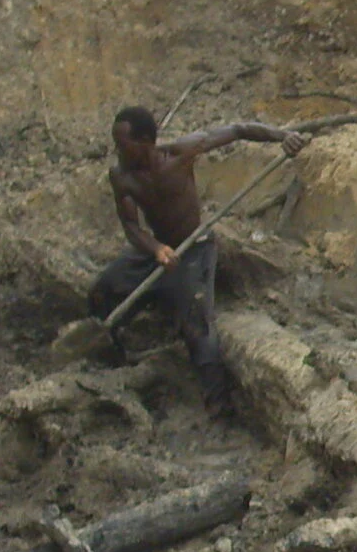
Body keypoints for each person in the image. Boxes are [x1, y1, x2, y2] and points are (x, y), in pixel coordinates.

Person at [90, 105, 305, 415]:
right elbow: (132, 227)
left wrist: (285, 136)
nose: (117, 150)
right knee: (102, 291)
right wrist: (156, 249)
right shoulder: (120, 176)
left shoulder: (180, 153)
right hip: (153, 251)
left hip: (194, 247)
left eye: (123, 144)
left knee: (196, 325)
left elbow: (239, 128)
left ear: (146, 141)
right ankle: (111, 358)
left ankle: (218, 404)